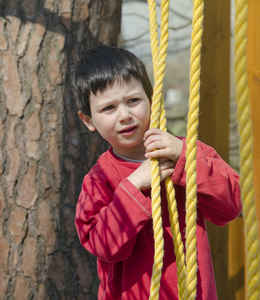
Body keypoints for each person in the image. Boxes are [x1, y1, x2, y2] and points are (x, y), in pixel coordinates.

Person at [70, 45, 242, 299]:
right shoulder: (99, 180)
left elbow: (232, 204)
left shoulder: (187, 151)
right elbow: (103, 245)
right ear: (88, 120)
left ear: (151, 99)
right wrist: (133, 185)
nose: (125, 115)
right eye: (109, 108)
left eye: (133, 101)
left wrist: (184, 157)